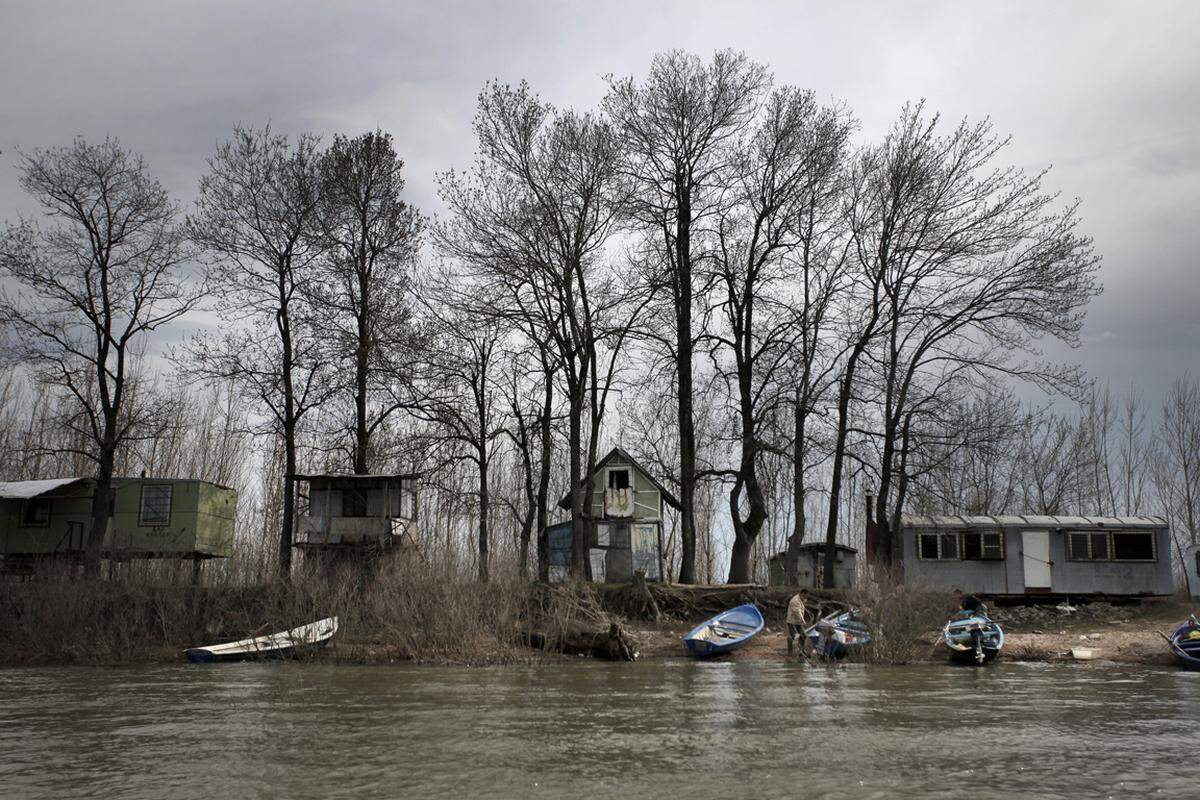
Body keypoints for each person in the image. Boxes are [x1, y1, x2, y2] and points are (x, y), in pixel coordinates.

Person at [786, 588, 810, 656]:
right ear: (802, 594)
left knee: (803, 635)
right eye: (805, 596)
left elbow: (802, 609)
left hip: (799, 622)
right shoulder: (795, 601)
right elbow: (797, 612)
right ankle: (790, 652)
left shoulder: (802, 599)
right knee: (795, 636)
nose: (806, 598)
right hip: (792, 622)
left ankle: (801, 650)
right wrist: (803, 620)